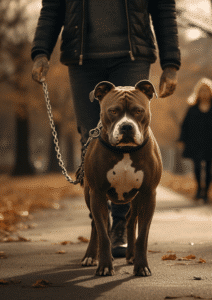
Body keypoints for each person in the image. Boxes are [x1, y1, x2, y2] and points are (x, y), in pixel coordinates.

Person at [31, 0, 181, 257]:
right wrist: (41, 51)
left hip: (132, 54)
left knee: (132, 136)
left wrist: (171, 63)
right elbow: (53, 8)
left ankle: (120, 226)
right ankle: (99, 226)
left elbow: (164, 8)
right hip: (82, 59)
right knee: (91, 140)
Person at [178, 78, 212, 203]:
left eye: (207, 90)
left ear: (211, 92)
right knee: (197, 167)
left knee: (209, 168)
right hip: (195, 142)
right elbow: (185, 125)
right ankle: (199, 189)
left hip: (210, 142)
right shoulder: (192, 108)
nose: (204, 93)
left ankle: (206, 194)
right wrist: (182, 139)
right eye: (202, 90)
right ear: (198, 92)